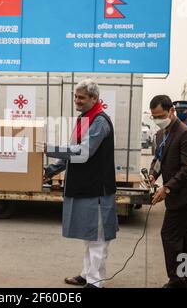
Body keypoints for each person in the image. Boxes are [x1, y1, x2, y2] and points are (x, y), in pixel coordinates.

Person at [38, 79, 118, 288]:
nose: (77, 100)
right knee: (89, 236)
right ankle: (86, 275)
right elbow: (70, 152)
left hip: (97, 189)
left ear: (94, 98)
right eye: (75, 96)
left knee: (98, 239)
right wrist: (49, 171)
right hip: (85, 187)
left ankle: (95, 282)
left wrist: (49, 148)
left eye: (81, 97)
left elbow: (83, 152)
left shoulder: (100, 121)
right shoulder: (85, 119)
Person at [148, 95, 187, 288]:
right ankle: (186, 280)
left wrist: (167, 188)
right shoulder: (162, 134)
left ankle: (177, 281)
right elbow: (158, 158)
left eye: (160, 115)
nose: (158, 120)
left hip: (183, 198)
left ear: (171, 111)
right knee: (183, 240)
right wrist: (153, 174)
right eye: (154, 117)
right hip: (174, 197)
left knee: (169, 235)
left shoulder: (186, 134)